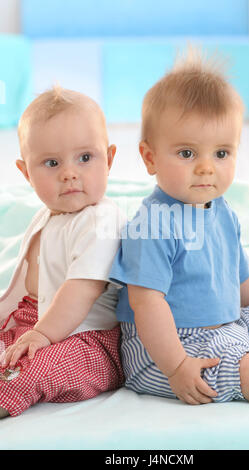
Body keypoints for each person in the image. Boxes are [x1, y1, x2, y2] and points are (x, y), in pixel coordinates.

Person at [109, 49, 249, 406]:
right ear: (150, 158)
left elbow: (238, 274)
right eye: (187, 154)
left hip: (226, 326)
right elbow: (147, 303)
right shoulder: (152, 223)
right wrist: (177, 365)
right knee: (244, 367)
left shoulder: (223, 210)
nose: (206, 168)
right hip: (168, 346)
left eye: (222, 153)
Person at [0, 86, 125, 418]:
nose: (69, 173)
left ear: (109, 159)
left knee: (34, 368)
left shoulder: (100, 221)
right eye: (51, 163)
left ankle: (5, 393)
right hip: (37, 319)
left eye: (85, 158)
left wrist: (41, 333)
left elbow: (83, 288)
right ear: (26, 173)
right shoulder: (49, 214)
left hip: (90, 340)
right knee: (15, 347)